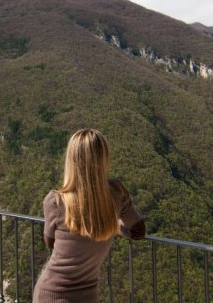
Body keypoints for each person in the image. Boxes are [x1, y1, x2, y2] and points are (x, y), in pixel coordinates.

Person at [33, 129, 145, 303]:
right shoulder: (116, 193)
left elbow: (50, 242)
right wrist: (115, 227)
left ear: (71, 161)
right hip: (87, 295)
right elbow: (138, 230)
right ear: (104, 158)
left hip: (52, 293)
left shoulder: (56, 201)